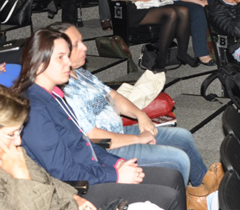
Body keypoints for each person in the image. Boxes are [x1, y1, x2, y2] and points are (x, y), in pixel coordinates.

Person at [13, 29, 187, 210]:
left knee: (173, 178)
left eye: (67, 56)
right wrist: (115, 175)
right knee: (170, 198)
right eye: (60, 57)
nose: (69, 63)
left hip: (93, 171)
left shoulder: (54, 95)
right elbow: (62, 171)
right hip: (79, 189)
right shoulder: (35, 108)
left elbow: (84, 144)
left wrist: (117, 163)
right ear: (38, 63)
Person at [0, 83, 168, 210]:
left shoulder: (1, 151)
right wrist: (22, 177)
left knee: (157, 208)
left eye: (19, 132)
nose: (18, 141)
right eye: (12, 134)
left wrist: (73, 196)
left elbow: (48, 180)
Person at [55, 22, 209, 190]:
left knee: (183, 137)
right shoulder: (64, 90)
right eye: (77, 44)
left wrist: (140, 115)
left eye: (82, 41)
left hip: (119, 132)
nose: (85, 47)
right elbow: (94, 137)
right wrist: (138, 139)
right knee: (179, 159)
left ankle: (205, 188)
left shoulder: (81, 73)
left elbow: (112, 96)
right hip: (107, 149)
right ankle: (187, 207)